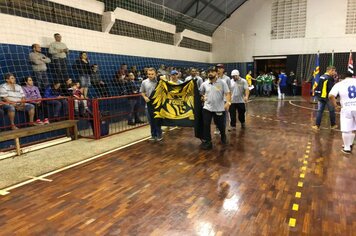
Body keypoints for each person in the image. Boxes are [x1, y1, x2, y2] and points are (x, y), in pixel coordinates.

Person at [199, 66, 231, 150]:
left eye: (212, 71)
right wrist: (202, 97)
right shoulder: (204, 84)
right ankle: (208, 142)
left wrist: (228, 102)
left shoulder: (222, 83)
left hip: (219, 108)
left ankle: (223, 135)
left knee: (220, 125)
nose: (210, 73)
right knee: (206, 125)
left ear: (216, 73)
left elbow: (227, 93)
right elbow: (201, 93)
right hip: (207, 108)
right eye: (209, 72)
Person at [329, 71, 356, 154]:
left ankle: (347, 147)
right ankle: (350, 144)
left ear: (343, 77)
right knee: (353, 128)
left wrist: (336, 106)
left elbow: (331, 95)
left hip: (346, 108)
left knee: (346, 129)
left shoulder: (339, 84)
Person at [312, 66, 337, 130]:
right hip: (327, 97)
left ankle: (317, 126)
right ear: (330, 70)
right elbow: (330, 89)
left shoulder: (321, 76)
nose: (334, 72)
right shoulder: (329, 78)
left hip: (320, 97)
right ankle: (333, 125)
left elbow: (318, 87)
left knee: (320, 111)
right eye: (334, 71)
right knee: (332, 111)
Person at [140, 68, 162, 141]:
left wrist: (162, 77)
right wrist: (145, 97)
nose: (150, 75)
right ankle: (153, 135)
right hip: (148, 105)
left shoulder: (159, 81)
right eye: (149, 74)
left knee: (157, 120)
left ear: (155, 74)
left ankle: (159, 135)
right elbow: (142, 91)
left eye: (152, 74)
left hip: (157, 105)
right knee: (151, 121)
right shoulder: (144, 82)